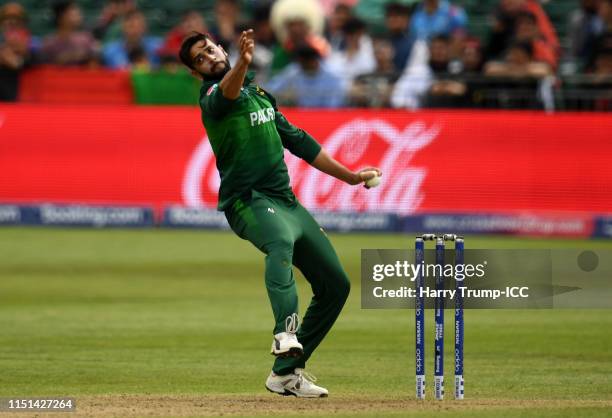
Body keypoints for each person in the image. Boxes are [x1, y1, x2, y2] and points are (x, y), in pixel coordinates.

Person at [178, 29, 381, 398]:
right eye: (200, 59)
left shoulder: (259, 94)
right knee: (280, 242)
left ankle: (285, 375)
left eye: (209, 49)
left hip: (285, 201)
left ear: (220, 46)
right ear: (197, 71)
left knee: (336, 285)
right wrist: (241, 62)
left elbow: (300, 141)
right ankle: (285, 333)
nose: (208, 56)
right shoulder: (212, 97)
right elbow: (228, 90)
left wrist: (351, 176)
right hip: (247, 201)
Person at [266, 45, 347, 107]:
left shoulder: (332, 76)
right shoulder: (294, 71)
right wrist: (283, 96)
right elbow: (271, 88)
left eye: (303, 63)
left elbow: (334, 106)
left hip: (325, 117)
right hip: (299, 117)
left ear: (313, 61)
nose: (300, 65)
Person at [40, 1, 99, 66]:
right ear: (61, 16)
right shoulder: (49, 44)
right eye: (73, 14)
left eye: (78, 13)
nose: (79, 16)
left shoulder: (87, 39)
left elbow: (94, 66)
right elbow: (44, 68)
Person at [384, 1, 414, 72]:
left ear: (406, 19)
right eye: (389, 16)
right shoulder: (380, 43)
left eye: (396, 16)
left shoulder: (415, 44)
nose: (392, 19)